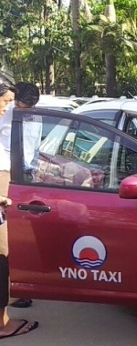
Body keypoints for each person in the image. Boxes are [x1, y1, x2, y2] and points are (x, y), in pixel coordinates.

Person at [0, 83, 38, 339]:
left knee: (14, 244)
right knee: (1, 252)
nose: (9, 107)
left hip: (18, 176)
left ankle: (16, 292)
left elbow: (31, 152)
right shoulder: (8, 114)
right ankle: (2, 324)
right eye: (8, 102)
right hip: (4, 175)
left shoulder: (35, 115)